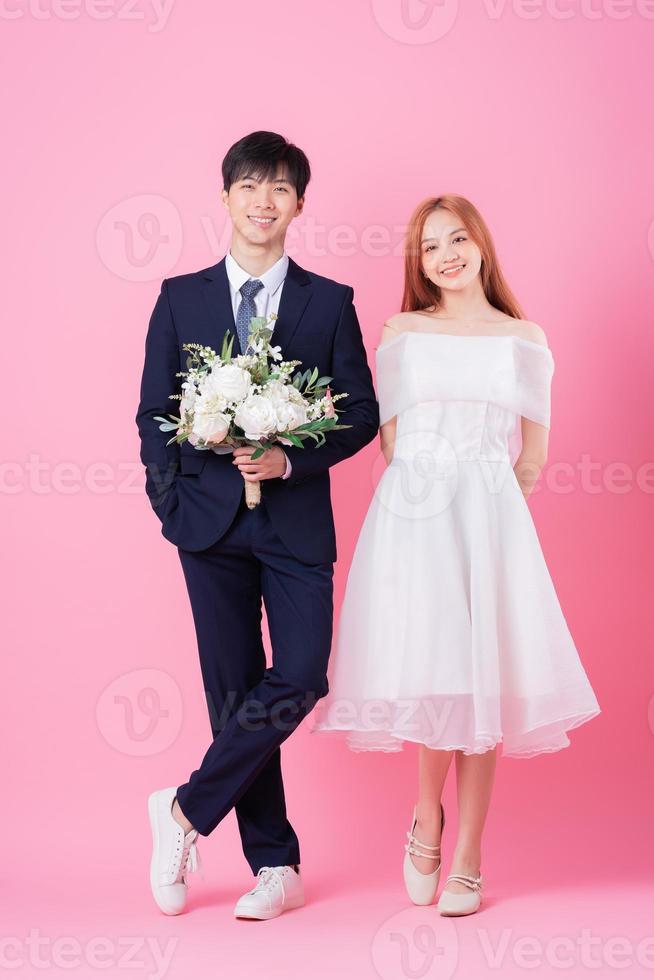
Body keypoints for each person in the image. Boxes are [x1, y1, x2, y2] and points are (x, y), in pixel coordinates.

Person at [311, 194, 601, 916]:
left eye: (458, 239)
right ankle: (426, 816)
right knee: (433, 672)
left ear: (481, 245)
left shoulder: (523, 338)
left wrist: (489, 521)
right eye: (430, 246)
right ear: (419, 264)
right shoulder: (402, 332)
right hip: (415, 521)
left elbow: (531, 456)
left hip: (490, 523)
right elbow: (391, 441)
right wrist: (430, 508)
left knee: (484, 685)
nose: (446, 255)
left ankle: (469, 856)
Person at [135, 131, 379, 920]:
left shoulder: (330, 302)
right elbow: (152, 415)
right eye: (249, 186)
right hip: (206, 527)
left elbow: (362, 414)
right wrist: (171, 503)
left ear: (299, 204)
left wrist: (290, 461)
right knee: (236, 691)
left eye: (279, 188)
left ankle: (181, 810)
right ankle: (275, 863)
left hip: (296, 523)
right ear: (226, 197)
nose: (263, 201)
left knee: (301, 672)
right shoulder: (181, 297)